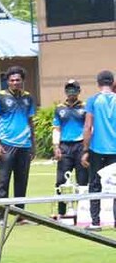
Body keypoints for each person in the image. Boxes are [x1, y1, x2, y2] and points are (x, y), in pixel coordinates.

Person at [0, 66, 36, 213]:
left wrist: (33, 145)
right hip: (6, 144)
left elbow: (31, 121)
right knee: (4, 182)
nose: (15, 82)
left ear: (22, 81)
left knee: (22, 182)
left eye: (18, 80)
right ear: (7, 81)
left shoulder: (28, 97)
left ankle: (19, 215)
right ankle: (0, 216)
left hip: (24, 145)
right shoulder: (0, 96)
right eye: (12, 80)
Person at [83, 70, 116, 231]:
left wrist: (85, 149)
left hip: (97, 148)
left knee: (95, 184)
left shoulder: (93, 100)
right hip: (115, 149)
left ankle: (95, 222)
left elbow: (88, 126)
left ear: (98, 83)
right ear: (112, 82)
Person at [53, 79, 88, 219]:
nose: (71, 92)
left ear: (79, 91)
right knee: (61, 180)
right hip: (65, 147)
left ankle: (82, 212)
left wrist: (87, 148)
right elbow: (56, 128)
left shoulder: (85, 107)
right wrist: (56, 146)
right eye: (68, 89)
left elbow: (89, 128)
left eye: (74, 89)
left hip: (80, 146)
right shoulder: (59, 108)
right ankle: (62, 212)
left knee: (83, 181)